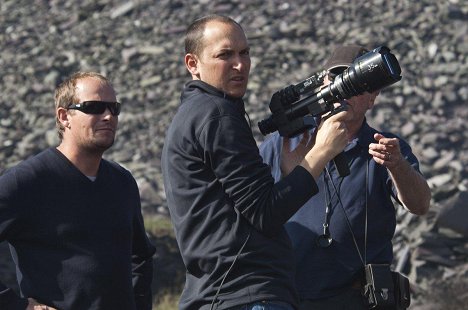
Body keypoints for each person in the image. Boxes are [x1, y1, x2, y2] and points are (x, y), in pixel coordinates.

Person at [161, 14, 350, 310]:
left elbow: (244, 211)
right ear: (192, 64)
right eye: (225, 55)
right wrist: (321, 152)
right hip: (245, 295)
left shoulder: (196, 114)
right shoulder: (217, 115)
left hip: (224, 294)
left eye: (245, 52)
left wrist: (291, 171)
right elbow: (266, 214)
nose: (240, 64)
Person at [259, 45, 431, 310]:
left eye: (356, 83)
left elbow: (420, 205)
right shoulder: (284, 144)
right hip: (286, 295)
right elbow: (251, 208)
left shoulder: (382, 148)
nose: (344, 90)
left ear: (372, 98)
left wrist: (397, 166)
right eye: (336, 78)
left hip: (355, 298)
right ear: (321, 85)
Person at [0, 72, 156, 310]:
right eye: (93, 107)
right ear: (64, 116)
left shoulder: (122, 181)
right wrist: (15, 305)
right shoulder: (26, 182)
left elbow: (140, 256)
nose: (108, 116)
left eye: (114, 108)